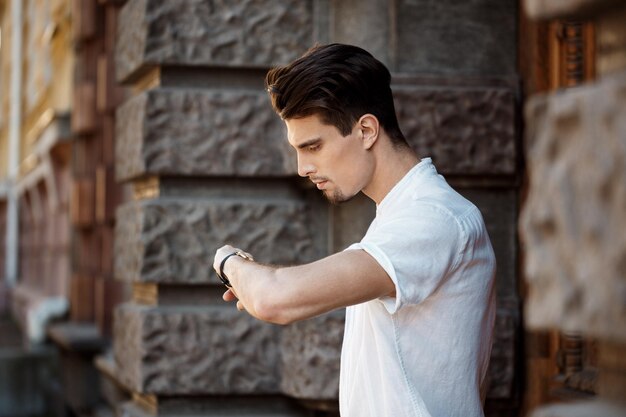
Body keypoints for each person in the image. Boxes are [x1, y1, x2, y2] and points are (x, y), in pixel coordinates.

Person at [213, 43, 496, 417]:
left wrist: (229, 261)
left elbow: (274, 299)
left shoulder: (433, 219)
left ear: (365, 130)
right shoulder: (401, 217)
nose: (302, 167)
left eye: (313, 146)